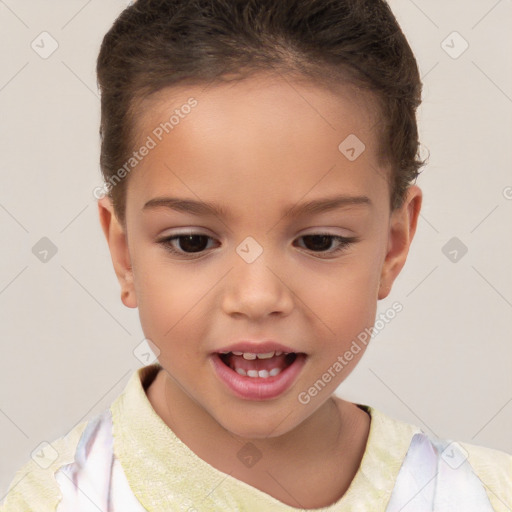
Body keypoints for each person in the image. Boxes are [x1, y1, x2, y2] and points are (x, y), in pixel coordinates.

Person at [2, 0, 511, 510]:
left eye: (319, 241)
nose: (257, 297)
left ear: (393, 245)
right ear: (124, 253)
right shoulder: (56, 499)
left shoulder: (482, 494)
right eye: (192, 242)